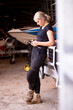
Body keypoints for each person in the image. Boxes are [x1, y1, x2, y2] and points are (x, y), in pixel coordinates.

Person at [25, 11, 55, 104]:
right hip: (35, 51)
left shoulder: (48, 28)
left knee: (30, 74)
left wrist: (38, 43)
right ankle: (37, 97)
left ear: (42, 19)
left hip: (40, 54)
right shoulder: (42, 27)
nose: (37, 23)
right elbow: (42, 39)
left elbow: (51, 42)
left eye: (38, 21)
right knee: (35, 74)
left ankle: (31, 90)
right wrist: (35, 41)